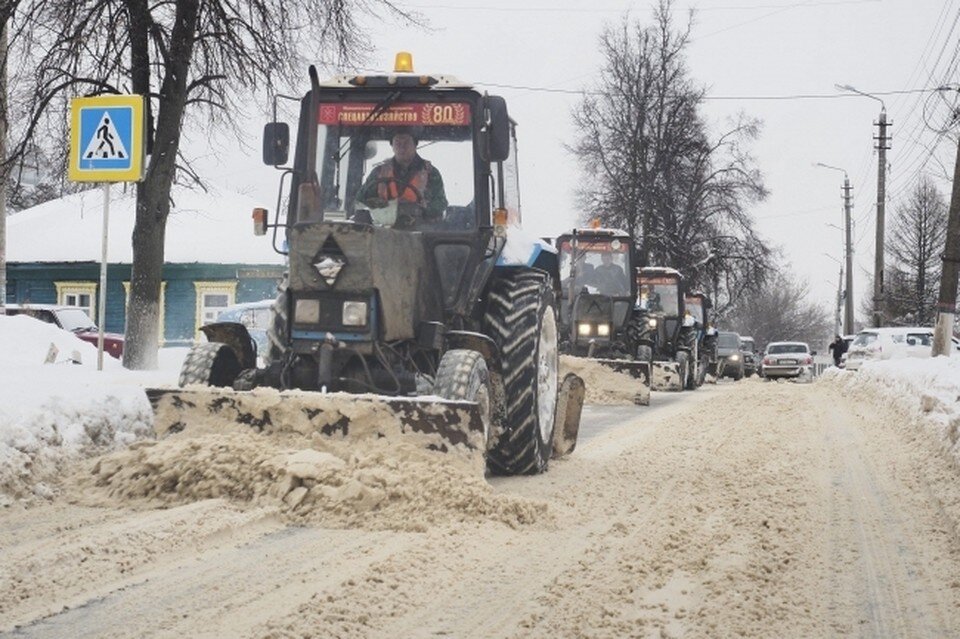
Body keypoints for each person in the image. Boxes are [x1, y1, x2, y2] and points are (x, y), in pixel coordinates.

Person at [355, 132, 448, 229]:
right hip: (383, 233)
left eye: (406, 143)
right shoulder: (379, 172)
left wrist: (425, 208)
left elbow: (441, 203)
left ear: (415, 145)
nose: (402, 147)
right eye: (398, 143)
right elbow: (360, 201)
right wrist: (377, 204)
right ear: (392, 146)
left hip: (419, 233)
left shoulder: (430, 173)